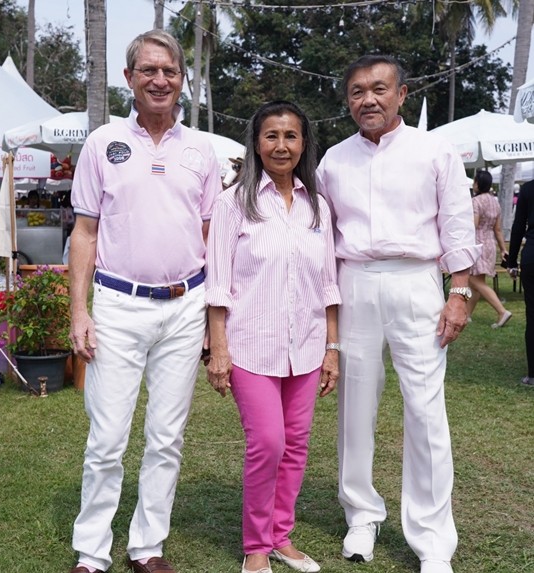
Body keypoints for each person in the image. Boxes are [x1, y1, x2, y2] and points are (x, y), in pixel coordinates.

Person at [316, 55, 481, 573]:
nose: (368, 99)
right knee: (354, 406)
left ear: (402, 94)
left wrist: (460, 292)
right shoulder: (332, 161)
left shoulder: (435, 150)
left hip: (417, 282)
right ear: (347, 101)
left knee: (426, 411)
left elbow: (457, 222)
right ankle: (361, 514)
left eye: (379, 89)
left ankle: (433, 541)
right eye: (357, 91)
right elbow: (320, 234)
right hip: (354, 281)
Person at [68, 30, 221, 573]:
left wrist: (211, 320)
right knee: (107, 438)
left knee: (166, 436)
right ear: (130, 78)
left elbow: (211, 237)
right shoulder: (101, 143)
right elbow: (84, 233)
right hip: (117, 305)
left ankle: (147, 546)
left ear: (183, 80)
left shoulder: (203, 149)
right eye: (149, 70)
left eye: (170, 71)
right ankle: (91, 552)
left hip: (184, 306)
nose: (160, 80)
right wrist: (79, 311)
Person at [206, 100, 341, 573]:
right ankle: (256, 546)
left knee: (297, 443)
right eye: (271, 136)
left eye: (290, 136)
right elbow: (218, 284)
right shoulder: (232, 203)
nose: (281, 146)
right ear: (256, 143)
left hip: (305, 347)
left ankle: (282, 536)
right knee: (267, 441)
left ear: (303, 144)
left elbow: (327, 284)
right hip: (249, 346)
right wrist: (217, 349)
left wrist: (331, 348)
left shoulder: (317, 206)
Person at [466, 170, 512, 328]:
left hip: (477, 242)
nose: (473, 185)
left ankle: (501, 311)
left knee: (472, 279)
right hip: (490, 244)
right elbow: (498, 229)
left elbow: (474, 224)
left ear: (479, 183)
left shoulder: (476, 201)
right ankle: (467, 315)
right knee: (478, 281)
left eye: (474, 182)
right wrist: (503, 249)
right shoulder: (495, 202)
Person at [508, 179, 534, 386]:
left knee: (532, 315)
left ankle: (533, 374)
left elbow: (518, 226)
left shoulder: (528, 189)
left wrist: (511, 261)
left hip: (532, 256)